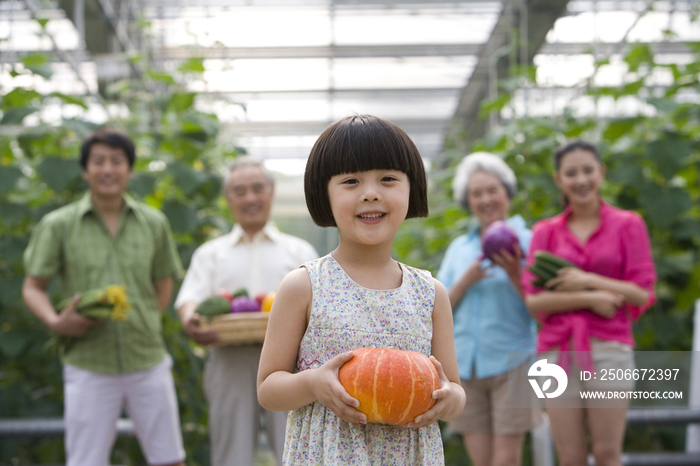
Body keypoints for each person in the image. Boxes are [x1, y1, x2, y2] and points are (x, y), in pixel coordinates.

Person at [257, 114, 466, 465]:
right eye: (351, 181)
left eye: (388, 179)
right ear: (324, 193)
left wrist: (448, 399)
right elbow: (268, 389)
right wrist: (312, 384)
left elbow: (456, 391)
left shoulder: (430, 293)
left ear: (411, 188)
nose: (371, 193)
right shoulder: (304, 285)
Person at [22, 129, 186, 466]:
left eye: (117, 161)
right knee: (85, 460)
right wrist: (56, 321)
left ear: (130, 169)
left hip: (147, 360)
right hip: (88, 362)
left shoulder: (154, 223)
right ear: (85, 170)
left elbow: (163, 284)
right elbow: (32, 286)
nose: (107, 169)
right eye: (98, 161)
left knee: (169, 458)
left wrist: (145, 319)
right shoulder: (59, 225)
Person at [175, 157, 319, 466]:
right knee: (231, 452)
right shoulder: (210, 253)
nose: (250, 197)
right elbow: (189, 300)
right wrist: (191, 321)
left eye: (257, 188)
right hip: (229, 358)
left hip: (291, 361)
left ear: (271, 191)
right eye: (239, 191)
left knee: (295, 448)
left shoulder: (299, 251)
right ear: (228, 198)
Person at [521, 140, 656, 466]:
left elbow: (642, 294)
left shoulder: (628, 224)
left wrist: (588, 279)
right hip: (556, 351)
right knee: (570, 456)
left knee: (608, 453)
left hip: (608, 349)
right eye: (571, 173)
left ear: (601, 173)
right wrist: (589, 297)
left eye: (587, 170)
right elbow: (534, 301)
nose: (580, 179)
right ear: (559, 179)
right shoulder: (545, 232)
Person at [436, 152, 541, 466]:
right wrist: (466, 280)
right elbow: (439, 309)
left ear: (507, 192)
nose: (486, 199)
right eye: (476, 193)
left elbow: (542, 313)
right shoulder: (460, 248)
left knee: (506, 460)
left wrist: (514, 274)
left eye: (492, 190)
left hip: (516, 362)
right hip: (466, 366)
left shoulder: (530, 241)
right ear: (468, 201)